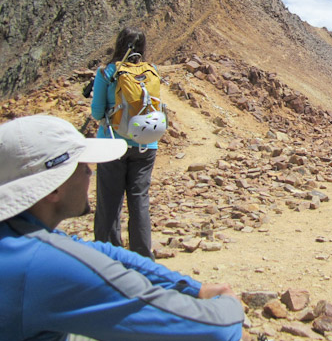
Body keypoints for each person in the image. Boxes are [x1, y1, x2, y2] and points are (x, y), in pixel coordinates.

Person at [0, 114, 244, 340]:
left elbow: (98, 254)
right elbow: (214, 331)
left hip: (120, 136)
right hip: (144, 148)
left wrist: (193, 288)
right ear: (53, 187)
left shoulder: (16, 237)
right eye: (81, 165)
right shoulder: (45, 265)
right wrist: (229, 302)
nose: (89, 171)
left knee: (111, 205)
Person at [91, 27, 157, 258]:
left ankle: (108, 257)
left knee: (109, 200)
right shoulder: (151, 71)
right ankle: (142, 259)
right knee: (139, 200)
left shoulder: (107, 72)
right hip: (146, 145)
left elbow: (97, 112)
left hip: (112, 144)